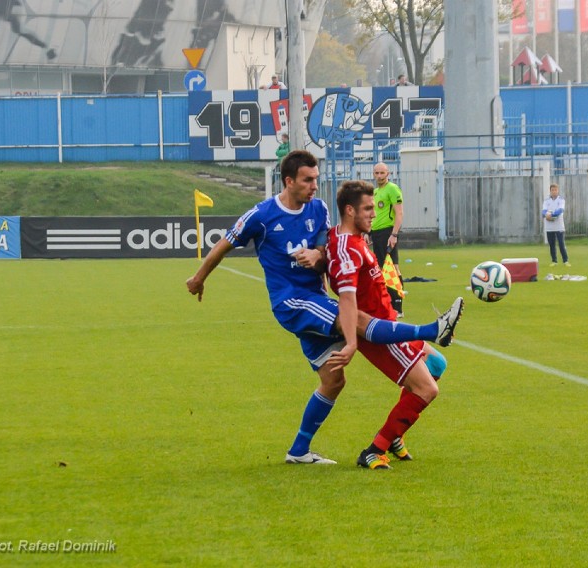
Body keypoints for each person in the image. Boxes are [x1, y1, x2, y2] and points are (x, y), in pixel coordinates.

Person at [186, 150, 463, 465]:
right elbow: (223, 245)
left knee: (334, 380)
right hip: (292, 302)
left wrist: (318, 257)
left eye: (316, 179)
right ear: (289, 181)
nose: (314, 186)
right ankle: (431, 330)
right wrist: (198, 278)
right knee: (353, 316)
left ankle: (299, 451)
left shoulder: (318, 210)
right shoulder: (261, 216)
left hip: (316, 299)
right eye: (307, 180)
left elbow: (324, 249)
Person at [327, 180, 451, 470]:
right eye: (368, 208)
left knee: (437, 366)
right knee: (427, 390)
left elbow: (330, 255)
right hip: (378, 332)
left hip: (389, 323)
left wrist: (318, 256)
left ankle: (394, 436)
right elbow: (345, 293)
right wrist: (352, 339)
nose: (374, 213)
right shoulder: (348, 247)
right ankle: (374, 450)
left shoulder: (346, 238)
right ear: (349, 210)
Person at [370, 162, 405, 317]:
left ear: (388, 174)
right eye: (376, 173)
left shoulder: (392, 189)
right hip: (376, 234)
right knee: (381, 268)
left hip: (387, 233)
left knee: (392, 267)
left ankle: (398, 306)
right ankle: (388, 303)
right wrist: (368, 232)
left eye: (382, 173)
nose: (379, 176)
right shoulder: (376, 191)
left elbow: (399, 213)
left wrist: (394, 234)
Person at [542, 183, 570, 267]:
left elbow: (560, 210)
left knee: (561, 243)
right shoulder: (546, 201)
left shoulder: (561, 200)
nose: (554, 192)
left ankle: (565, 261)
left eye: (555, 190)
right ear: (550, 191)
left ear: (558, 191)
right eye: (552, 190)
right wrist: (545, 215)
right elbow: (543, 211)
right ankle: (554, 261)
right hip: (549, 226)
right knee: (552, 244)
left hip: (559, 226)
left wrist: (551, 215)